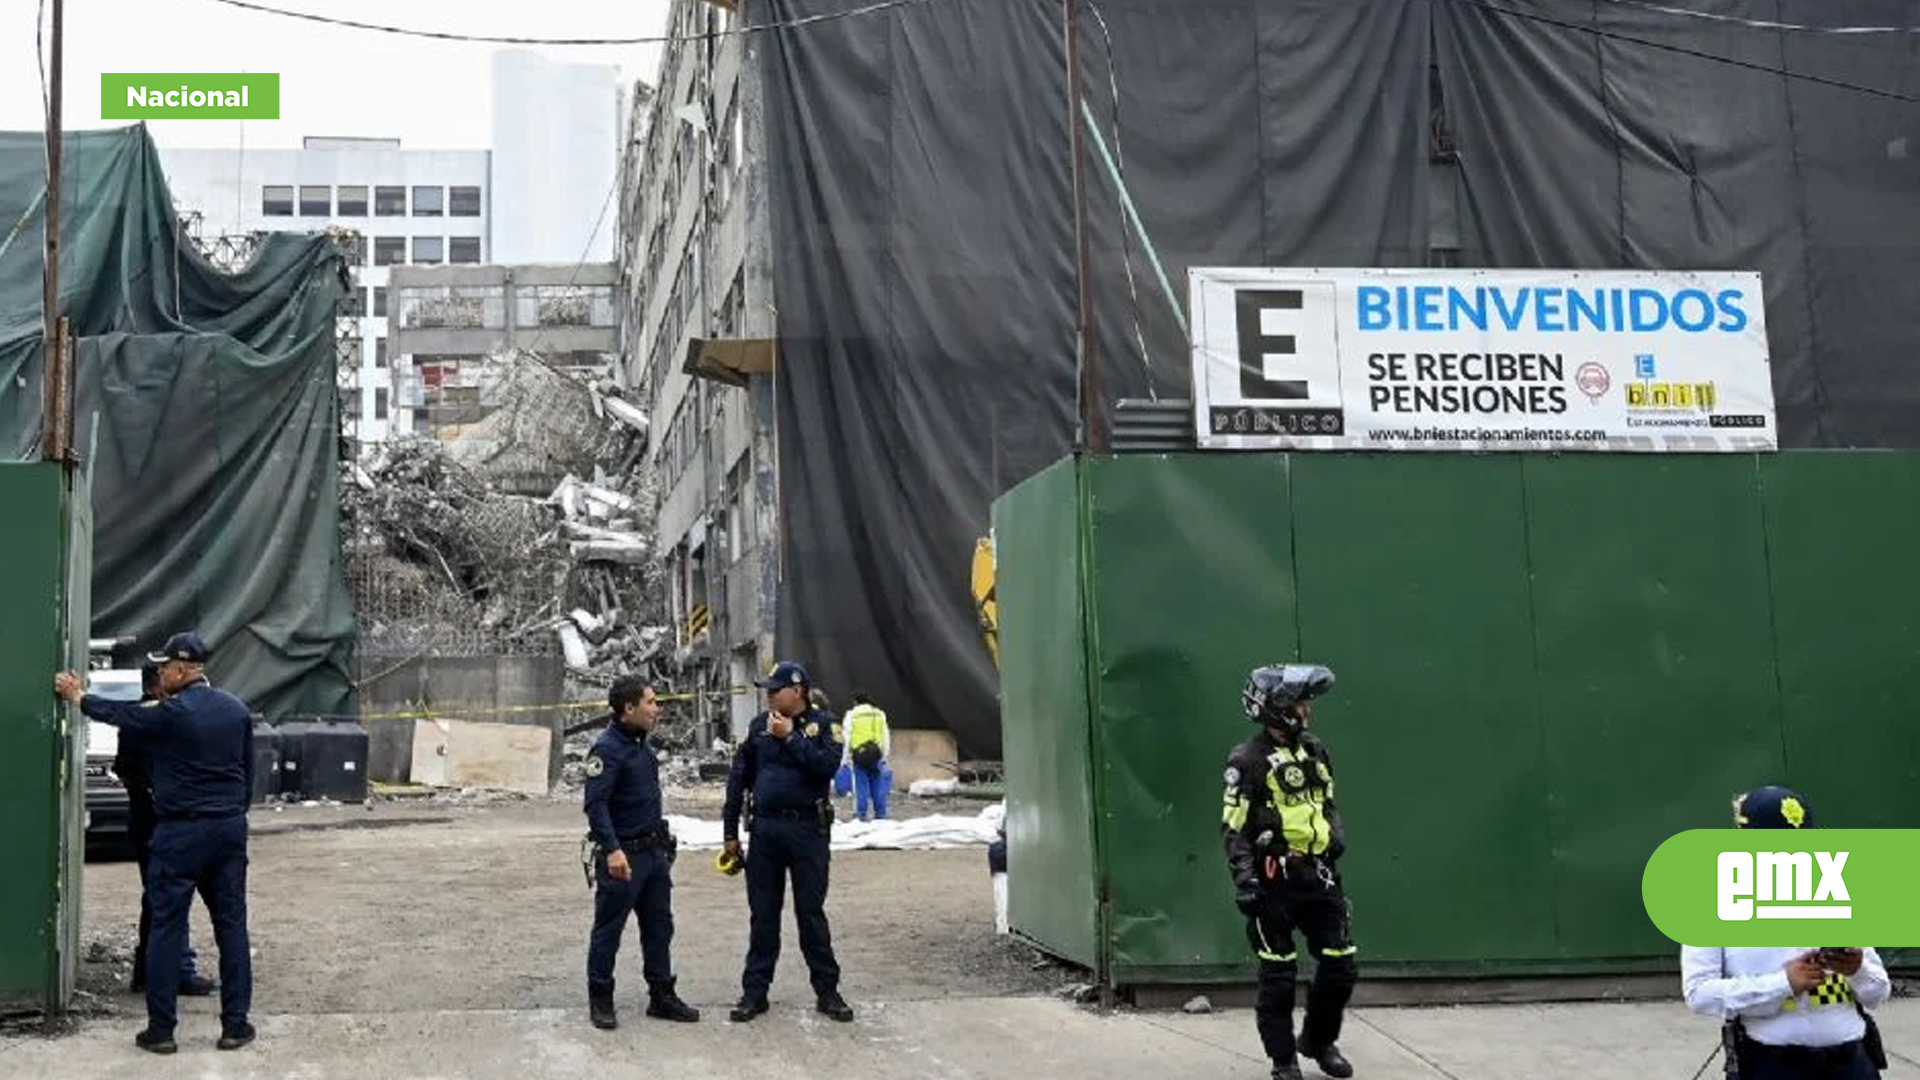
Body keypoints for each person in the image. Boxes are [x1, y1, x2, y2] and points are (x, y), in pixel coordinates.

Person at [55, 631, 255, 1055]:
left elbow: (122, 716)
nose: (159, 674)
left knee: (166, 926)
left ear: (183, 670)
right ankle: (235, 1026)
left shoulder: (171, 713)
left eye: (164, 668)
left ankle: (161, 1031)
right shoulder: (236, 711)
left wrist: (78, 698)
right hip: (227, 830)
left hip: (179, 833)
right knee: (232, 927)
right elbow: (248, 777)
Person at [1681, 786, 1891, 1080]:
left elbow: (1879, 993)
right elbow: (1699, 994)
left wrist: (1858, 970)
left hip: (1852, 1064)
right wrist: (1783, 984)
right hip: (1772, 1066)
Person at [1221, 663, 1357, 1080]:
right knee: (1278, 974)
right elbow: (1233, 827)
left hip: (1319, 876)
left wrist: (1334, 837)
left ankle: (1318, 1041)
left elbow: (1327, 804)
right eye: (1300, 703)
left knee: (1340, 964)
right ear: (1278, 709)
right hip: (1272, 879)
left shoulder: (1316, 750)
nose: (1306, 711)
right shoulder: (1247, 760)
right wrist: (1245, 880)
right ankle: (1284, 1060)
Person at [721, 660, 854, 1024]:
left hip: (808, 832)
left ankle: (828, 992)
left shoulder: (825, 726)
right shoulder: (757, 728)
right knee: (763, 915)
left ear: (797, 691)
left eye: (774, 689)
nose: (768, 696)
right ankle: (754, 993)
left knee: (810, 914)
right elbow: (738, 780)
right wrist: (730, 833)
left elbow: (825, 767)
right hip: (765, 832)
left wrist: (790, 737)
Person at [582, 676, 700, 1031]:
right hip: (623, 859)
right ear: (628, 709)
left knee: (659, 927)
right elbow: (596, 805)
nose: (656, 708)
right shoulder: (607, 750)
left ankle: (661, 994)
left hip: (653, 855)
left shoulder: (640, 747)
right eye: (649, 702)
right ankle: (601, 997)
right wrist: (613, 850)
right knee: (609, 929)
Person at [118, 661, 216, 998]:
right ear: (156, 686)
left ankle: (149, 969)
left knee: (159, 898)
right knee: (171, 898)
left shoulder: (147, 719)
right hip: (160, 824)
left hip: (153, 822)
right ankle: (175, 971)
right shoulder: (154, 720)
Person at [842, 692, 891, 822]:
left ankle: (861, 815)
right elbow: (885, 736)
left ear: (856, 702)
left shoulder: (851, 715)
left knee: (861, 786)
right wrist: (884, 755)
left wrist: (845, 759)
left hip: (859, 755)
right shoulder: (879, 714)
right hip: (876, 754)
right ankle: (881, 814)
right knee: (878, 785)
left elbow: (847, 738)